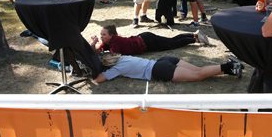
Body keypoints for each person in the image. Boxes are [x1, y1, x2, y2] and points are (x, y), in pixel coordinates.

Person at [93, 53, 243, 84]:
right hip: (164, 60)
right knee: (199, 70)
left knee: (198, 75)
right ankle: (230, 69)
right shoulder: (123, 57)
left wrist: (90, 78)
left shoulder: (116, 68)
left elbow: (99, 80)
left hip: (160, 70)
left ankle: (229, 65)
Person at [90, 24, 210, 55]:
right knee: (171, 40)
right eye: (101, 34)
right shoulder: (109, 42)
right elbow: (96, 52)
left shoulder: (115, 41)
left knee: (171, 44)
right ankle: (193, 34)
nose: (102, 37)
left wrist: (103, 48)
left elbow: (113, 56)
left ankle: (194, 39)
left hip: (147, 42)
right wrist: (95, 43)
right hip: (144, 37)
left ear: (111, 35)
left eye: (104, 34)